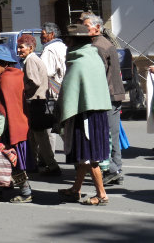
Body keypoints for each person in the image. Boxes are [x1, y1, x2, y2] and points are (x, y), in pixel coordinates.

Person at [57, 24, 111, 206]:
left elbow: (68, 91)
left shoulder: (79, 61)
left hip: (85, 114)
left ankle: (101, 194)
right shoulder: (93, 56)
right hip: (95, 111)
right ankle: (75, 189)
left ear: (74, 42)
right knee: (83, 156)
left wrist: (60, 114)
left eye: (68, 40)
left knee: (89, 157)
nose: (66, 43)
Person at [82, 14, 126, 185]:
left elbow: (98, 75)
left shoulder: (98, 47)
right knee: (112, 133)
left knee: (106, 133)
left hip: (106, 95)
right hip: (114, 94)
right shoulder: (105, 44)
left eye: (87, 26)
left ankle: (112, 169)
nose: (84, 29)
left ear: (97, 28)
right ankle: (116, 168)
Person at [0, 45, 33, 203]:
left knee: (13, 160)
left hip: (11, 128)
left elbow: (3, 111)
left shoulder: (5, 80)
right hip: (22, 125)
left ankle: (26, 192)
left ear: (4, 64)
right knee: (6, 159)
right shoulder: (17, 75)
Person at [17, 34, 61, 176]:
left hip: (35, 101)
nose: (19, 50)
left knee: (40, 136)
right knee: (34, 136)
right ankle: (33, 163)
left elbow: (34, 81)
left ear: (30, 48)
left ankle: (52, 165)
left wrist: (22, 89)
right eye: (18, 47)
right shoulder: (34, 59)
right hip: (38, 101)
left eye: (21, 47)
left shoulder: (30, 61)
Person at [40, 22, 66, 152]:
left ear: (52, 34)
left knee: (53, 128)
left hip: (54, 94)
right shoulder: (62, 46)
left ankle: (49, 159)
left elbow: (45, 72)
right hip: (63, 90)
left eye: (43, 34)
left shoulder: (50, 49)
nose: (41, 37)